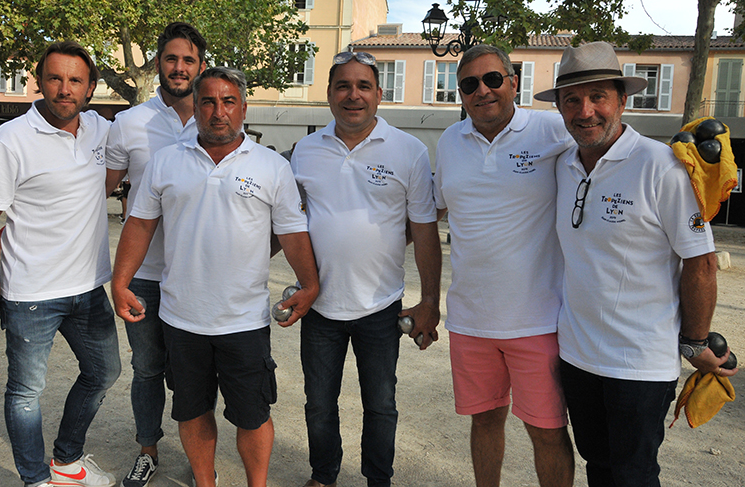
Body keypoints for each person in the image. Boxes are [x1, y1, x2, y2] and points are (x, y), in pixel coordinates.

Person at [533, 41, 739, 486]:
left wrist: (694, 342)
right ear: (560, 108)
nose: (585, 111)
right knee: (598, 466)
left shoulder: (662, 167)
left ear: (622, 100)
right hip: (577, 356)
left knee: (633, 475)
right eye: (572, 100)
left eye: (598, 97)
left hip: (639, 364)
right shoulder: (563, 164)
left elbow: (701, 262)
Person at [111, 66, 319, 487]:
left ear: (244, 108)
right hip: (181, 318)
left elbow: (292, 232)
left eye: (228, 102)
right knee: (192, 411)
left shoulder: (271, 166)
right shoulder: (167, 161)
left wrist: (310, 284)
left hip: (243, 321)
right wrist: (120, 282)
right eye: (207, 101)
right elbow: (140, 225)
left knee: (253, 415)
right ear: (196, 106)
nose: (218, 111)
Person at [0, 41, 121, 487]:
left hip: (88, 287)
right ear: (39, 82)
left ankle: (67, 462)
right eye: (55, 78)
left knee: (104, 372)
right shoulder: (10, 140)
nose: (65, 89)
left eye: (75, 81)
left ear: (90, 88)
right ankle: (35, 480)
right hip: (30, 293)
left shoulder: (100, 129)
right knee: (26, 391)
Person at [291, 51, 442, 487]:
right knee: (319, 403)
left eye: (363, 86)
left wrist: (429, 301)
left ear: (379, 94)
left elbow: (424, 232)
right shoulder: (305, 150)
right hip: (319, 305)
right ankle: (324, 475)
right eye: (343, 86)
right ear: (329, 94)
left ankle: (379, 479)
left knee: (380, 404)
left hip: (380, 305)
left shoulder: (409, 151)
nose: (352, 95)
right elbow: (290, 224)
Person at [433, 44, 575, 487]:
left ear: (514, 83)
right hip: (470, 320)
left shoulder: (553, 129)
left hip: (539, 320)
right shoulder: (450, 141)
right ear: (460, 93)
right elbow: (431, 212)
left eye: (493, 79)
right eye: (469, 84)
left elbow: (611, 147)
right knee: (484, 421)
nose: (483, 90)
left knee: (547, 431)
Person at [105, 21, 207, 487]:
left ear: (200, 66)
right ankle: (147, 449)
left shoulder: (216, 117)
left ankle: (199, 458)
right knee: (146, 369)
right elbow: (98, 191)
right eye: (171, 59)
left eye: (188, 60)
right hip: (144, 274)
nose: (179, 67)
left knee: (195, 374)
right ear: (158, 63)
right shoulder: (129, 123)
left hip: (197, 275)